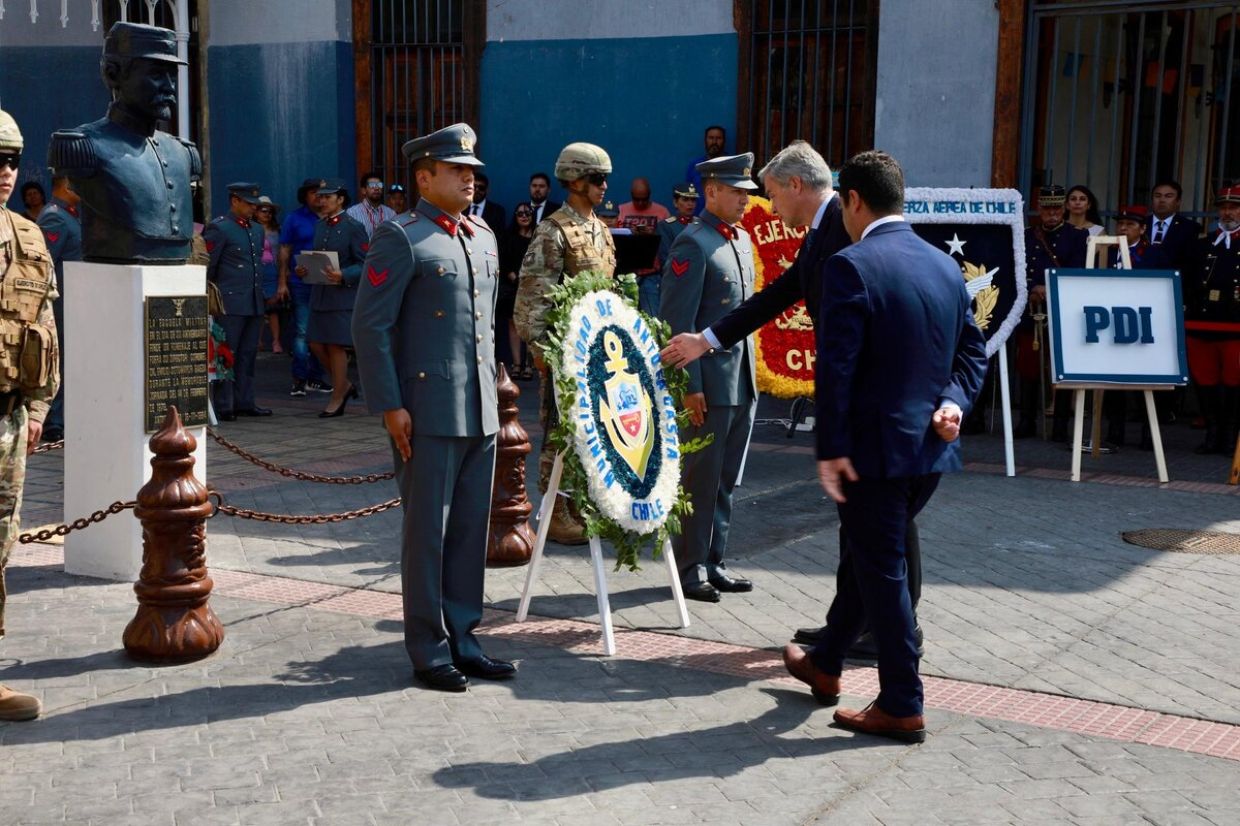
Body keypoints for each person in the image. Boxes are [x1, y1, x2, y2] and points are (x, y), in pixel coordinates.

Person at [660, 140, 923, 654]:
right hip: (852, 399)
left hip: (873, 400)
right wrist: (705, 341)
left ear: (797, 185)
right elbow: (781, 293)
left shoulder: (844, 230)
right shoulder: (823, 231)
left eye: (772, 193)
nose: (767, 204)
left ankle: (893, 626)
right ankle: (853, 621)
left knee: (887, 518)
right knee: (857, 520)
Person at [782, 150, 987, 743]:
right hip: (929, 449)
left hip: (870, 453)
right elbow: (971, 352)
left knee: (882, 571)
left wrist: (829, 449)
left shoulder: (850, 265)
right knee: (871, 559)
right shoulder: (944, 266)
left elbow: (836, 370)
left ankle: (901, 701)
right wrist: (954, 401)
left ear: (852, 200)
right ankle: (825, 662)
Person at [352, 122, 515, 692]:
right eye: (456, 170)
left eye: (472, 170)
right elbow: (370, 326)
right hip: (427, 410)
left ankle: (465, 638)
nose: (469, 179)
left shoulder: (483, 235)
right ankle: (428, 648)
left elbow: (485, 326)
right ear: (424, 178)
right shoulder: (401, 237)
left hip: (480, 408)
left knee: (470, 532)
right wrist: (389, 405)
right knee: (428, 534)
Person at [658, 153, 759, 602]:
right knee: (699, 479)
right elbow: (677, 323)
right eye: (736, 192)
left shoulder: (740, 240)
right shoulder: (692, 243)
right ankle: (689, 566)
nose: (744, 200)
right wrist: (690, 387)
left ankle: (714, 560)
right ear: (712, 191)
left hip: (740, 381)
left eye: (747, 193)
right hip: (709, 386)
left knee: (725, 478)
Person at [514, 142, 616, 545]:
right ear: (574, 181)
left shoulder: (600, 229)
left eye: (605, 179)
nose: (604, 186)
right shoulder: (553, 231)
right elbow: (532, 298)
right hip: (565, 351)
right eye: (597, 178)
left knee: (591, 431)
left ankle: (579, 504)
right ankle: (555, 511)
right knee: (561, 430)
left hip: (597, 351)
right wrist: (543, 351)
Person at [0, 109, 61, 722]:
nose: (5, 171)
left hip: (9, 420)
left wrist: (38, 406)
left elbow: (42, 326)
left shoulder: (29, 236)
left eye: (12, 161)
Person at [48, 22, 200, 264]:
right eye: (156, 74)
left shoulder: (183, 152)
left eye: (172, 74)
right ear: (113, 74)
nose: (170, 86)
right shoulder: (83, 147)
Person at [1015, 184, 1088, 440]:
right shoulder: (1026, 235)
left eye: (1056, 208)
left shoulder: (1077, 236)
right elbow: (1018, 268)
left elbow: (1078, 272)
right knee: (1029, 365)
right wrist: (1032, 288)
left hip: (1062, 308)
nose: (1052, 214)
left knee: (1061, 367)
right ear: (1040, 209)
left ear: (1064, 208)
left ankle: (1060, 426)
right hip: (1031, 308)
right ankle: (1026, 420)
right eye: (1047, 209)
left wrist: (1050, 287)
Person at [204, 183, 271, 421]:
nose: (254, 208)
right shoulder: (220, 228)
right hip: (229, 301)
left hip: (253, 300)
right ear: (235, 201)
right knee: (226, 353)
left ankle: (245, 401)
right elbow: (209, 266)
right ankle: (225, 404)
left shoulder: (257, 230)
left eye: (255, 204)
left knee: (248, 354)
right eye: (249, 204)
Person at [1103, 205, 1167, 449]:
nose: (1123, 228)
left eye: (1130, 224)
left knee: (1146, 381)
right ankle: (1115, 431)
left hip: (1143, 323)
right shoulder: (1106, 252)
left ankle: (1149, 434)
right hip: (1111, 322)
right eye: (1120, 223)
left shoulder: (1154, 254)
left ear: (1142, 229)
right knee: (1113, 381)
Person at [1184, 183, 1240, 455]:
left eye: (1234, 208)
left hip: (1235, 325)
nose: (1227, 213)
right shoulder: (1203, 244)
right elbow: (1188, 281)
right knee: (1205, 380)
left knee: (1234, 381)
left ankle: (1230, 435)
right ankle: (1212, 432)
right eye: (1224, 207)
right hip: (1201, 323)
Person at [304, 178, 366, 418]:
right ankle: (344, 385)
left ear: (340, 200)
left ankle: (337, 396)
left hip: (341, 295)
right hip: (321, 293)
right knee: (314, 342)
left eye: (328, 197)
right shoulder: (321, 225)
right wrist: (305, 268)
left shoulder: (353, 226)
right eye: (320, 197)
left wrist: (344, 275)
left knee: (335, 345)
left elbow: (365, 263)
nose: (322, 201)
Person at [35, 175, 82, 444]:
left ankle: (64, 416)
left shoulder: (71, 215)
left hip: (74, 302)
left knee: (69, 360)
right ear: (66, 184)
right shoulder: (54, 216)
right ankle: (52, 421)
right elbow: (44, 264)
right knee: (59, 361)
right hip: (60, 304)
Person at [279, 178, 332, 397]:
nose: (318, 197)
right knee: (302, 331)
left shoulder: (331, 217)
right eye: (313, 193)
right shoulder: (294, 218)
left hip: (328, 282)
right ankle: (299, 378)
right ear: (305, 196)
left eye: (322, 193)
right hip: (301, 282)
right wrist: (282, 282)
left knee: (322, 331)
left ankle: (316, 378)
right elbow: (284, 250)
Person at [498, 204, 536, 378]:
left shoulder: (538, 237)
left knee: (529, 325)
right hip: (512, 287)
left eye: (528, 213)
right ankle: (516, 364)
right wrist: (515, 278)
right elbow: (503, 261)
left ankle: (528, 365)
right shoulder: (508, 237)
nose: (524, 216)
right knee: (513, 324)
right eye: (520, 213)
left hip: (533, 286)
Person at [651, 183, 700, 314]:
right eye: (685, 199)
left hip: (699, 285)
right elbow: (666, 260)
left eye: (693, 200)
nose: (690, 204)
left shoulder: (701, 225)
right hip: (676, 285)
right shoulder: (666, 226)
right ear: (675, 202)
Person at [1148, 179, 1203, 275]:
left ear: (1178, 201)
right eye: (1157, 196)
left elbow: (1190, 264)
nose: (1162, 200)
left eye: (1168, 196)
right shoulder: (1140, 224)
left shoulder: (1190, 228)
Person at [254, 196, 284, 354]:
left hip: (272, 270)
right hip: (257, 271)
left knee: (273, 309)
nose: (267, 214)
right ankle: (257, 341)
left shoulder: (277, 231)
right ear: (256, 212)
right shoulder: (250, 229)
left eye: (270, 211)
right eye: (263, 210)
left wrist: (282, 275)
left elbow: (281, 253)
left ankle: (276, 341)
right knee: (258, 308)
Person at [684, 125, 727, 213]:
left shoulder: (731, 165)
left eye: (718, 138)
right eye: (711, 138)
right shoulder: (695, 166)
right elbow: (688, 195)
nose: (714, 142)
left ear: (724, 141)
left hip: (724, 217)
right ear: (705, 140)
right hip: (698, 217)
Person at [346, 171, 396, 238]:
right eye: (372, 185)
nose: (377, 188)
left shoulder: (391, 213)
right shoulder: (352, 213)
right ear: (363, 190)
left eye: (379, 185)